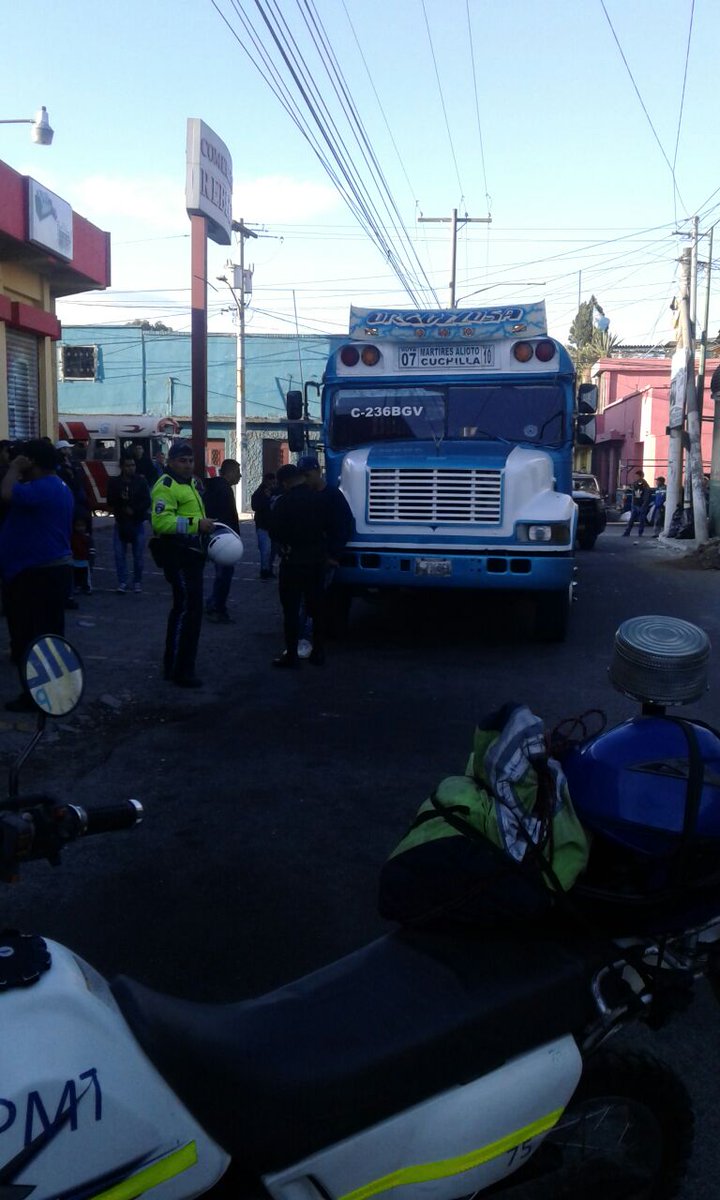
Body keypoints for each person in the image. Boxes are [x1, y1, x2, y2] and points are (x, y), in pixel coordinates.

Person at [0, 439, 74, 711]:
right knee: (44, 635)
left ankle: (38, 696)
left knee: (33, 637)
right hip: (40, 572)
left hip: (36, 575)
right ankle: (50, 691)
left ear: (31, 462)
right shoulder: (55, 485)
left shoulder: (42, 488)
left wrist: (11, 468)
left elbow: (6, 493)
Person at [151, 441, 215, 688]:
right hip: (177, 554)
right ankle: (178, 668)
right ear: (170, 461)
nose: (187, 465)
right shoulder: (166, 486)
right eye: (182, 461)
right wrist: (195, 525)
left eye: (190, 460)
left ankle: (183, 665)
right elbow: (161, 523)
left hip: (192, 555)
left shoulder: (190, 484)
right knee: (186, 609)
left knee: (191, 610)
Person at [268, 463, 334, 669]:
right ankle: (319, 652)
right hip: (317, 561)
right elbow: (331, 527)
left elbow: (275, 532)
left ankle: (292, 655)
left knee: (291, 610)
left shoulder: (284, 502)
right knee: (317, 609)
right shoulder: (320, 499)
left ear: (285, 482)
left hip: (293, 561)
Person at [296, 453, 354, 651]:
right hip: (304, 558)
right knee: (304, 600)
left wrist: (333, 556)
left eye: (308, 475)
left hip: (324, 559)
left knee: (318, 600)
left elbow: (345, 526)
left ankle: (314, 638)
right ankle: (305, 638)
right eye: (302, 476)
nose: (305, 480)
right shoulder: (303, 495)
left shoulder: (333, 496)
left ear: (318, 472)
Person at [107, 453, 151, 594]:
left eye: (133, 465)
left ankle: (137, 581)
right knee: (119, 555)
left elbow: (147, 501)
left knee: (138, 556)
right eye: (128, 465)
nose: (131, 468)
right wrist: (120, 501)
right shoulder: (114, 482)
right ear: (121, 467)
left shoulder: (141, 481)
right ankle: (123, 581)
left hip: (137, 522)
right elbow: (110, 501)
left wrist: (135, 509)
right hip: (121, 522)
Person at [203, 458, 241, 623]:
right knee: (224, 575)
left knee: (222, 575)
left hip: (217, 537)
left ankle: (213, 603)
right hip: (223, 539)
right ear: (230, 472)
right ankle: (218, 608)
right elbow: (227, 517)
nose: (239, 476)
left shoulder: (215, 487)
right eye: (238, 472)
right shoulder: (224, 490)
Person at [251, 472, 277, 579]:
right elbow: (255, 506)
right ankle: (264, 570)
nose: (272, 485)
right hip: (263, 525)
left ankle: (268, 569)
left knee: (272, 550)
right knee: (265, 549)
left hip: (273, 526)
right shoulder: (259, 493)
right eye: (270, 483)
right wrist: (266, 499)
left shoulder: (275, 491)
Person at [622, 469, 651, 538]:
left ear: (641, 476)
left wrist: (644, 504)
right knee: (632, 519)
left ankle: (639, 533)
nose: (636, 478)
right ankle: (627, 532)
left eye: (637, 476)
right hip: (635, 504)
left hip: (641, 504)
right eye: (635, 476)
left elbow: (645, 495)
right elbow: (634, 494)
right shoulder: (635, 484)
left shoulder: (644, 485)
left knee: (641, 520)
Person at [71, 513, 94, 594]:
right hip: (75, 559)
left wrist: (91, 560)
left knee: (86, 576)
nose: (80, 528)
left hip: (85, 560)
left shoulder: (87, 538)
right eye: (78, 526)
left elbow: (91, 550)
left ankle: (87, 587)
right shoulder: (73, 537)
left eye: (82, 526)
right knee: (76, 575)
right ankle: (78, 586)